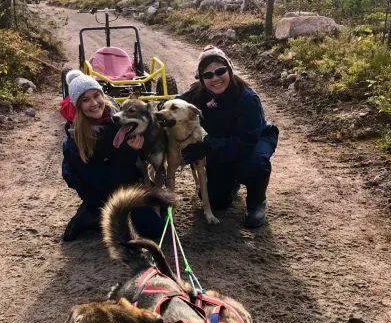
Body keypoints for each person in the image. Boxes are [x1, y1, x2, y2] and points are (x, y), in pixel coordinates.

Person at [179, 45, 278, 228]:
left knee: (254, 164)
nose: (215, 78)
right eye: (207, 75)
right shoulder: (198, 94)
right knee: (215, 201)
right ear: (201, 79)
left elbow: (245, 144)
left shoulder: (247, 98)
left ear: (230, 70)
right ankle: (230, 184)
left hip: (254, 140)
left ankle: (257, 202)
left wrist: (207, 146)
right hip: (222, 145)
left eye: (220, 71)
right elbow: (174, 103)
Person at [61, 70, 162, 241]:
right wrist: (130, 152)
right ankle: (89, 215)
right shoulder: (74, 142)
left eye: (96, 95)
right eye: (85, 100)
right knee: (123, 232)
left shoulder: (117, 117)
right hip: (99, 190)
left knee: (155, 228)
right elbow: (105, 182)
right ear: (77, 106)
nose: (94, 103)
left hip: (124, 183)